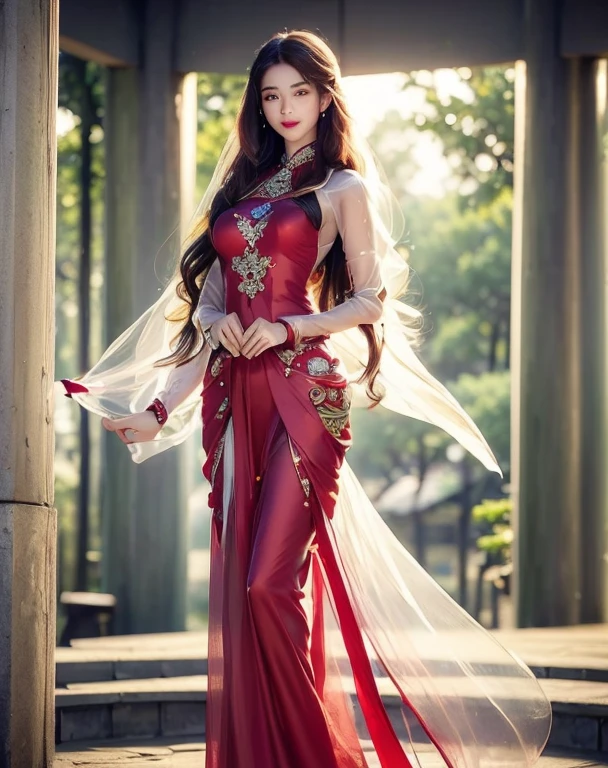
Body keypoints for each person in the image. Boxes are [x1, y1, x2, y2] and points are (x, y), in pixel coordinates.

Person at [60, 30, 551, 768]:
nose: (284, 107)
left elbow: (370, 301)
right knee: (247, 590)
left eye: (298, 91)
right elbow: (207, 315)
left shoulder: (343, 190)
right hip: (236, 405)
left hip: (307, 397)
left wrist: (290, 326)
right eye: (270, 94)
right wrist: (160, 407)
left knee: (264, 585)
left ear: (325, 97)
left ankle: (322, 757)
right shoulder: (237, 196)